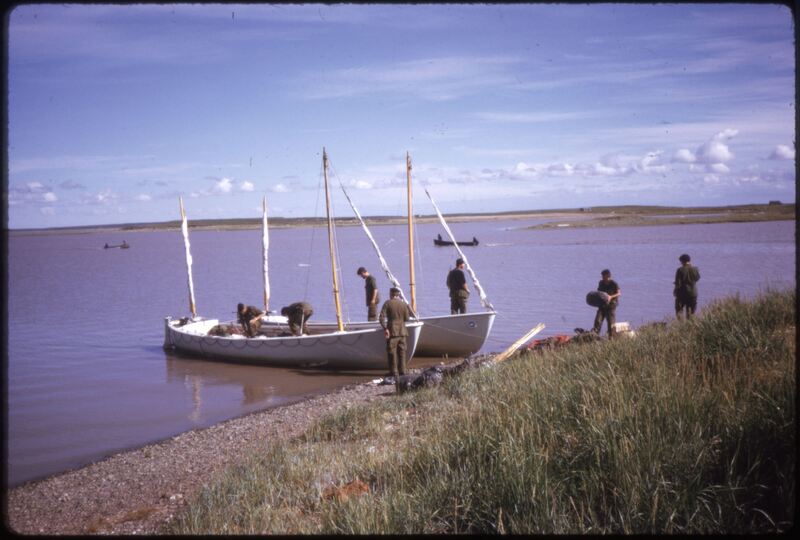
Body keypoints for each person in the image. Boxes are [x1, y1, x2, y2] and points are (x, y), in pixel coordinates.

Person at [379, 287, 413, 381]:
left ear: (391, 294)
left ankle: (393, 372)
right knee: (402, 352)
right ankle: (403, 371)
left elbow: (381, 318)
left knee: (392, 352)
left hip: (392, 331)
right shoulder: (403, 304)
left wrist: (385, 328)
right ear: (398, 295)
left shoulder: (387, 303)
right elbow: (407, 318)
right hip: (402, 332)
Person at [592, 269, 621, 338]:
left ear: (608, 276)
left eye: (603, 276)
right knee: (597, 321)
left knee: (611, 323)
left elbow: (619, 293)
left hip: (611, 305)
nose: (602, 277)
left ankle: (611, 338)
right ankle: (594, 337)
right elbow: (599, 292)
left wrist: (611, 297)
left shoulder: (614, 283)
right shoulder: (601, 283)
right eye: (602, 276)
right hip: (602, 305)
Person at [674, 253, 701, 320]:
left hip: (682, 294)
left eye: (681, 261)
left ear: (682, 261)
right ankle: (690, 326)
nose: (680, 263)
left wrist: (675, 291)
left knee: (679, 311)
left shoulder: (680, 270)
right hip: (693, 293)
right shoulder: (695, 269)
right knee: (691, 313)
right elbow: (697, 278)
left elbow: (678, 283)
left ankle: (681, 326)